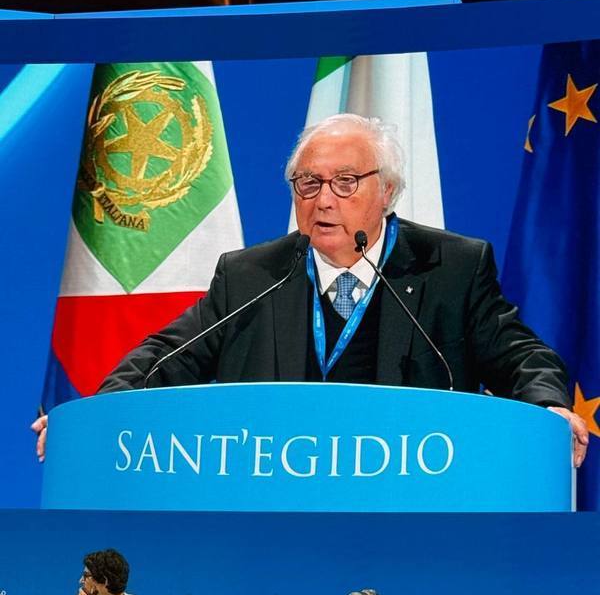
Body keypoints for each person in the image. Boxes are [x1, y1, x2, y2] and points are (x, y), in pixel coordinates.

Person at [33, 113, 587, 466]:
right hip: (274, 505)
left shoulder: (451, 268)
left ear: (388, 191)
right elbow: (165, 357)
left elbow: (521, 355)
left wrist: (549, 407)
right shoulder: (251, 275)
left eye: (345, 182)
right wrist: (93, 420)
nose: (323, 200)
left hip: (408, 502)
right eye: (308, 183)